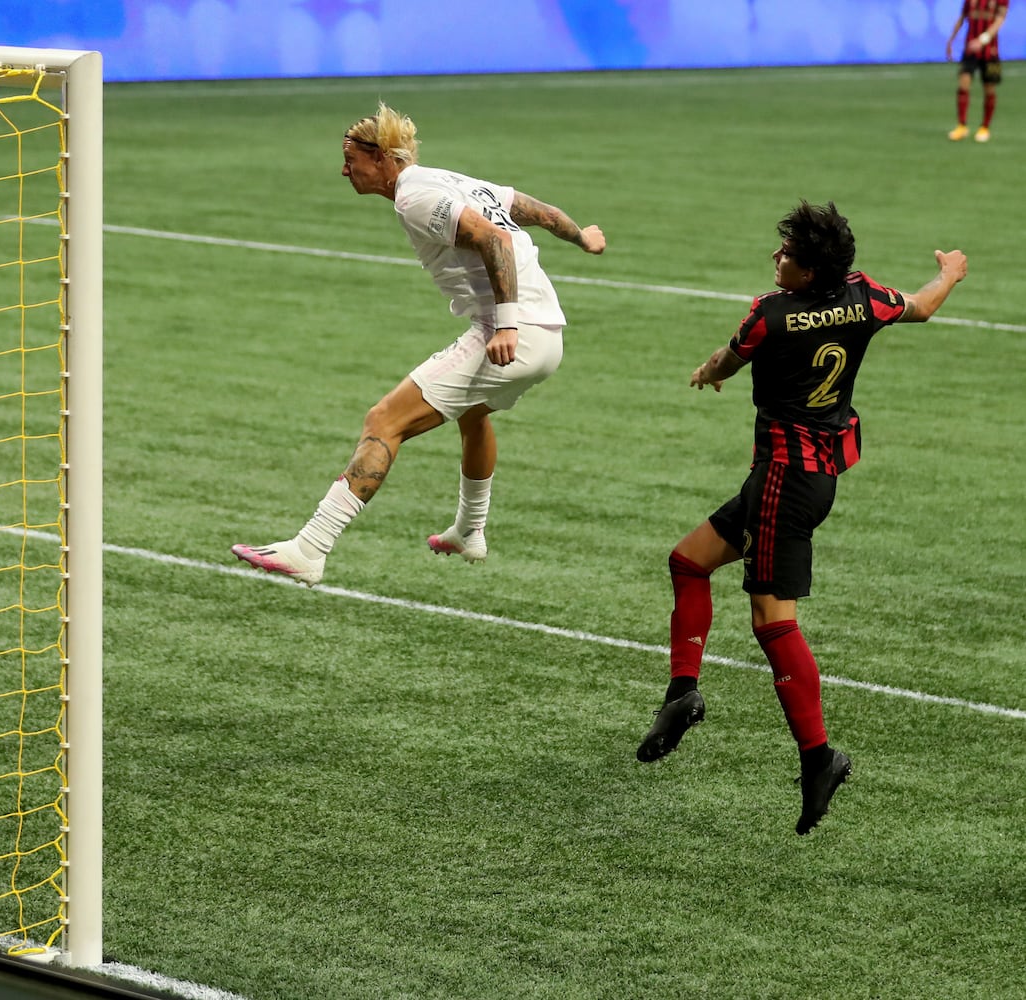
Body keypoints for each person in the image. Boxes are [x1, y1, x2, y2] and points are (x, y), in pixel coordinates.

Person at [635, 201, 967, 835]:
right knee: (689, 561)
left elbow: (731, 357)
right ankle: (683, 693)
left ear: (810, 270)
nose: (776, 259)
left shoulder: (772, 315)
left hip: (784, 482)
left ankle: (819, 759)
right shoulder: (864, 296)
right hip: (809, 476)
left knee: (772, 620)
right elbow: (921, 305)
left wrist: (710, 371)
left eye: (786, 254)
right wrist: (949, 272)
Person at [231, 102, 605, 586]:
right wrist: (581, 237)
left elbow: (495, 240)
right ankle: (469, 531)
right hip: (548, 335)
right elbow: (535, 211)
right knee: (474, 413)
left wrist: (507, 325)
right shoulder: (447, 180)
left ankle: (310, 549)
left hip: (516, 333)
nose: (343, 169)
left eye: (351, 158)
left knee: (385, 421)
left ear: (384, 157)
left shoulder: (414, 196)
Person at [946, 0, 1009, 142]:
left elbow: (1000, 20)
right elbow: (962, 17)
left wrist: (983, 39)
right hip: (970, 50)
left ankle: (985, 127)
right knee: (963, 82)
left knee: (989, 89)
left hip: (991, 52)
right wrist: (951, 40)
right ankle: (962, 126)